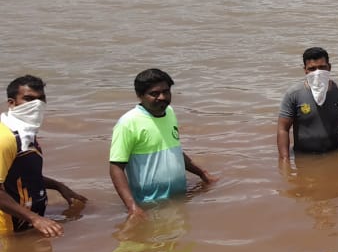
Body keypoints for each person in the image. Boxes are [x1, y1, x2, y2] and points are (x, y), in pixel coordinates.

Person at [109, 69, 217, 218]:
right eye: (154, 94)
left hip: (179, 198)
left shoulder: (170, 112)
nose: (162, 97)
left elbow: (174, 151)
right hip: (150, 204)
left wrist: (202, 174)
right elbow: (116, 167)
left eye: (166, 92)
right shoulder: (128, 123)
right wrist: (132, 207)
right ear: (140, 96)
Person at [1, 75, 86, 237]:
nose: (37, 105)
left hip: (27, 222)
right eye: (29, 99)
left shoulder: (26, 133)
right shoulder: (5, 138)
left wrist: (59, 186)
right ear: (12, 103)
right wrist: (35, 219)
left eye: (41, 99)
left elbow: (21, 174)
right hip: (8, 229)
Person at [277, 47, 338, 159]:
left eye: (322, 67)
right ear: (305, 70)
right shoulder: (293, 94)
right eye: (312, 69)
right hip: (303, 156)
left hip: (335, 153)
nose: (317, 73)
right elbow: (283, 128)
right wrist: (284, 160)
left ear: (329, 67)